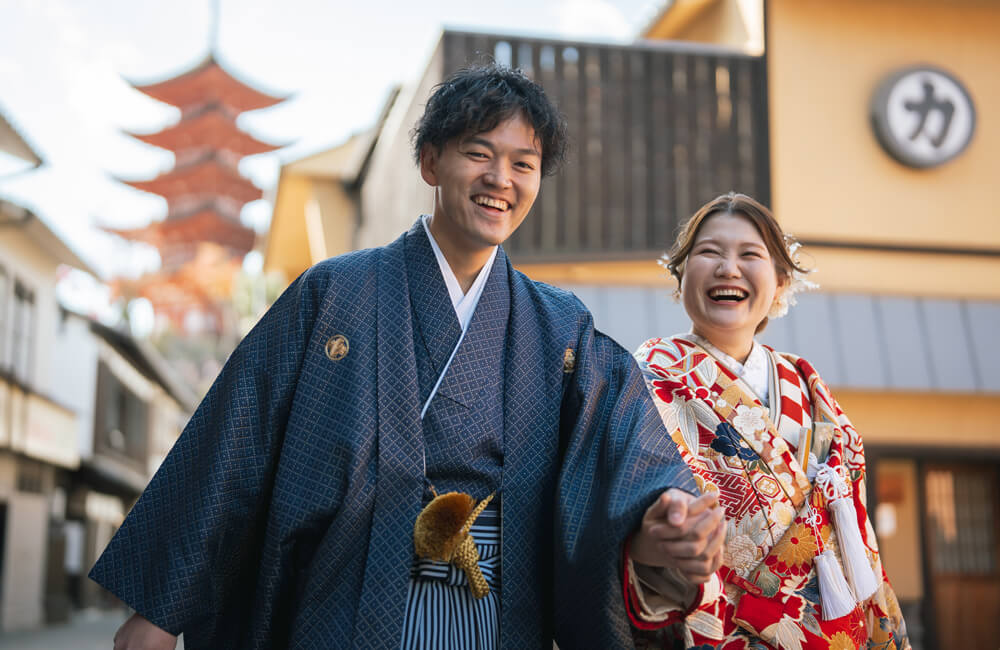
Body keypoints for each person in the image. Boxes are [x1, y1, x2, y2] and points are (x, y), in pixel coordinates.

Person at [92, 64, 706, 650]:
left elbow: (622, 441)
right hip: (347, 606)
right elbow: (235, 441)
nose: (502, 178)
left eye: (524, 164)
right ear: (430, 160)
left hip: (496, 612)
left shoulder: (558, 325)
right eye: (479, 153)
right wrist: (159, 609)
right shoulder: (333, 294)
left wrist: (664, 506)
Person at [623, 193, 910, 649]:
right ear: (681, 275)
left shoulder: (805, 381)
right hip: (716, 628)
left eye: (749, 255)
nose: (728, 269)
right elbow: (617, 516)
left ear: (779, 283)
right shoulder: (645, 380)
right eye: (710, 252)